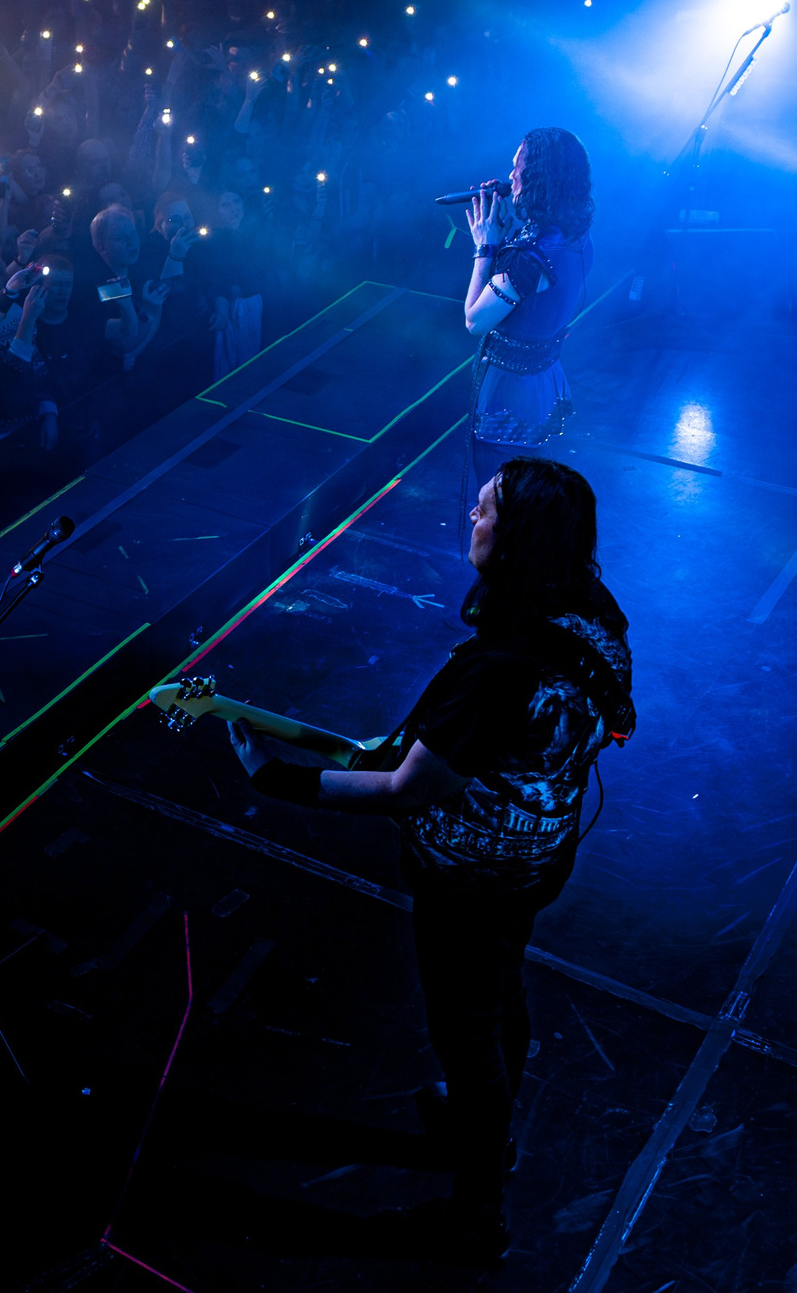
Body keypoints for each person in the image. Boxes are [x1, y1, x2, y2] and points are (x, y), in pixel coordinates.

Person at [224, 458, 634, 1265]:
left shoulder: (496, 669)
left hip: (469, 879)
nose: (470, 518)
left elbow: (408, 788)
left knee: (466, 1035)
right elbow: (609, 721)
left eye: (484, 510)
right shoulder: (596, 617)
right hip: (537, 863)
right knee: (501, 993)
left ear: (515, 538)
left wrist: (278, 776)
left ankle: (477, 1212)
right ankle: (488, 1120)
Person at [459, 129, 593, 551]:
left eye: (518, 166)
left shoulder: (526, 258)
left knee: (498, 504)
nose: (510, 175)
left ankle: (497, 591)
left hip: (508, 395)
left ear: (536, 176)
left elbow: (474, 320)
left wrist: (485, 247)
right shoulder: (574, 235)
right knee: (527, 499)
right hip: (543, 380)